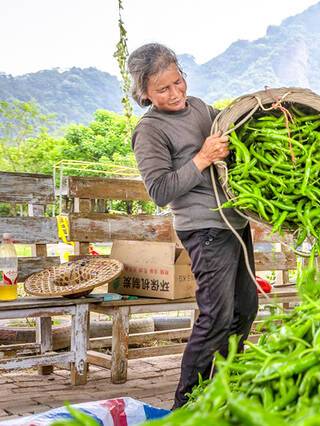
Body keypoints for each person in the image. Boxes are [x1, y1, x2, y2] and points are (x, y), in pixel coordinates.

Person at [127, 43, 258, 410]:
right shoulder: (150, 130)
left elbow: (241, 128)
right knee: (217, 315)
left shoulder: (200, 107)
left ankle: (221, 394)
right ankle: (185, 406)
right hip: (204, 228)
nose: (175, 93)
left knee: (244, 310)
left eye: (177, 81)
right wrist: (202, 158)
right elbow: (159, 191)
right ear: (144, 93)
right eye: (162, 89)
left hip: (234, 221)